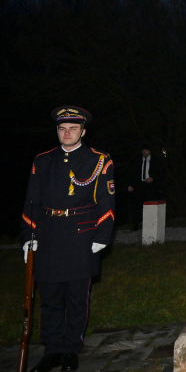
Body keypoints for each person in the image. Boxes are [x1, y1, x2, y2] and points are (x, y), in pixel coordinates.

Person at [20, 106, 116, 372]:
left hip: (81, 237)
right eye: (62, 129)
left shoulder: (99, 160)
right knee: (49, 299)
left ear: (83, 132)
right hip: (48, 236)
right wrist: (28, 236)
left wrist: (102, 234)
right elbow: (31, 202)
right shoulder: (42, 160)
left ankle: (71, 350)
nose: (67, 133)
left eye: (73, 129)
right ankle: (52, 350)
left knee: (76, 298)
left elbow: (106, 201)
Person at [126, 147, 160, 230]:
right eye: (143, 151)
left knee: (150, 204)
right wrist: (130, 185)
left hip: (150, 186)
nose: (144, 152)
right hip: (138, 185)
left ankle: (150, 224)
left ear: (150, 151)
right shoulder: (137, 160)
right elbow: (131, 173)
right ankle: (136, 224)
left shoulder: (155, 161)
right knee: (136, 205)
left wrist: (152, 178)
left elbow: (160, 173)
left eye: (146, 150)